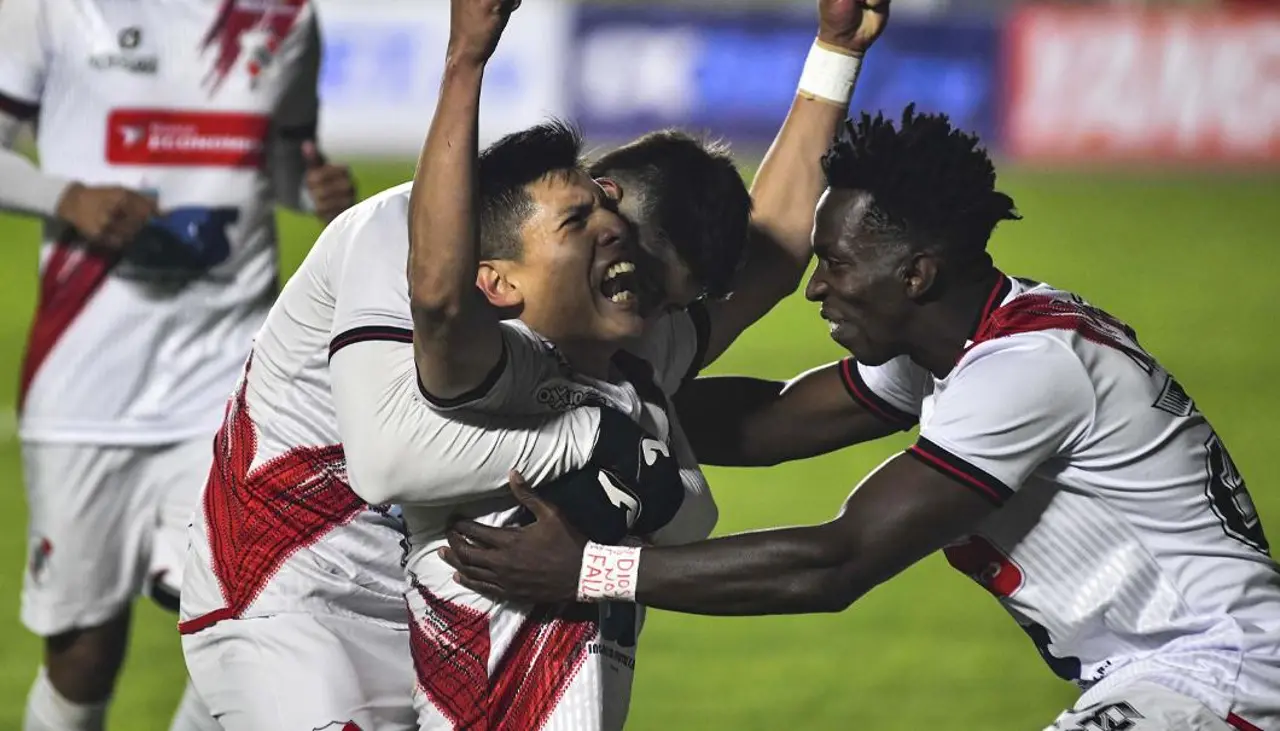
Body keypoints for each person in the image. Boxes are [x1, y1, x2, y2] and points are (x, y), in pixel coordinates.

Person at [441, 106, 1280, 731]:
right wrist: (564, 386)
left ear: (915, 274)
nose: (816, 288)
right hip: (1170, 678)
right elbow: (761, 424)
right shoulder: (969, 338)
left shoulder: (1028, 373)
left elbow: (835, 562)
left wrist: (591, 569)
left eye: (837, 264)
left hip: (1221, 676)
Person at [0, 0, 356, 728]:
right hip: (86, 383)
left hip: (229, 378)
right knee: (84, 653)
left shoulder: (284, 18)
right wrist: (65, 195)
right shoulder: (55, 9)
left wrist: (313, 189)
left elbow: (283, 157)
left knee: (257, 609)